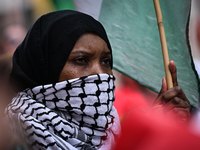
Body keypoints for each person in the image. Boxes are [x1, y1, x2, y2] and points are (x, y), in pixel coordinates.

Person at [4, 10, 190, 150]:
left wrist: (155, 133)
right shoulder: (12, 137)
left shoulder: (114, 131)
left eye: (106, 61)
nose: (100, 74)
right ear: (43, 69)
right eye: (81, 60)